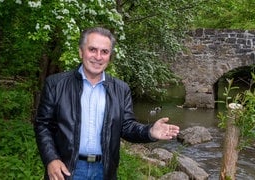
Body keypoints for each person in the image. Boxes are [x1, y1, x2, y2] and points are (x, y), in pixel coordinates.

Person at [34, 27, 180, 180]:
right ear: (81, 52)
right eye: (92, 49)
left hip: (104, 171)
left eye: (104, 52)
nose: (98, 57)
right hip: (67, 169)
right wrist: (51, 159)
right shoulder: (56, 84)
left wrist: (149, 132)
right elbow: (43, 125)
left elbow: (127, 127)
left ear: (110, 56)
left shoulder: (121, 89)